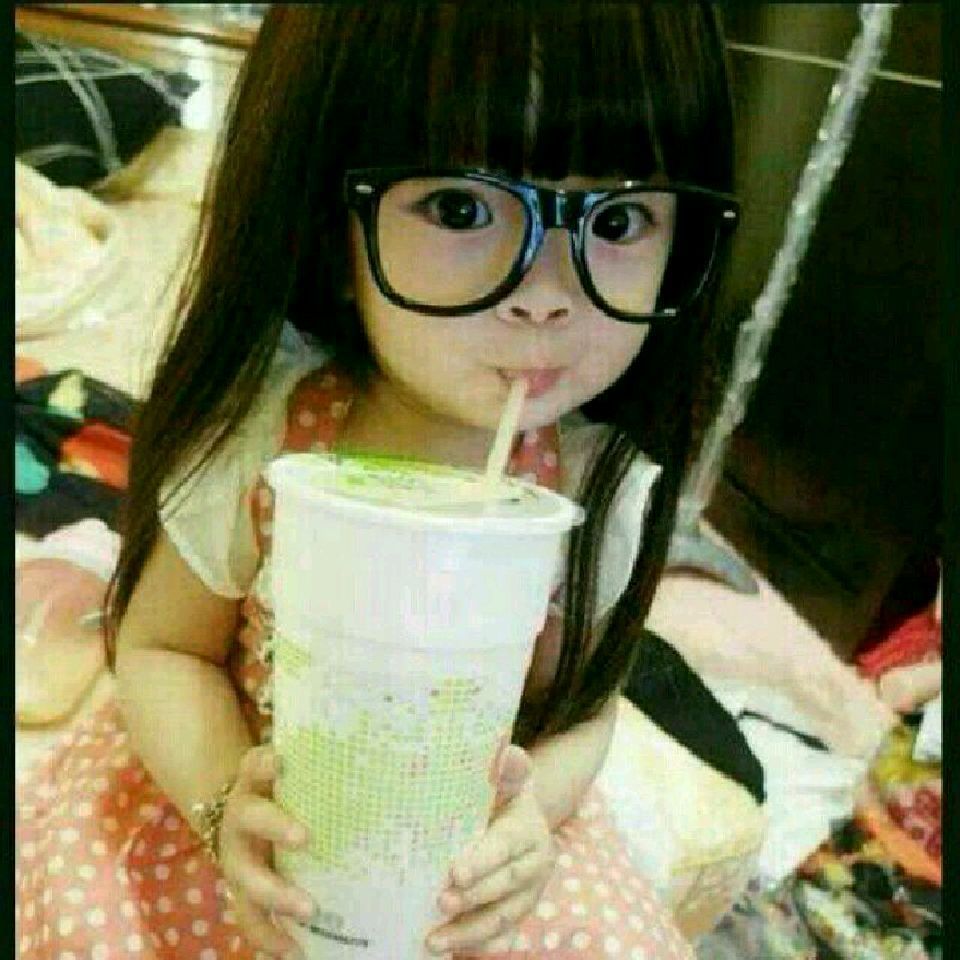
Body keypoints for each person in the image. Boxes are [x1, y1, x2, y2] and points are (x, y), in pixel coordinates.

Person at [15, 3, 741, 957]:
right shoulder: (267, 433)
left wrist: (532, 820)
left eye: (618, 218)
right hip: (256, 819)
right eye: (462, 209)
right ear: (332, 221)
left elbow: (582, 708)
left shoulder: (591, 486)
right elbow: (163, 651)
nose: (546, 294)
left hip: (457, 862)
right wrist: (226, 803)